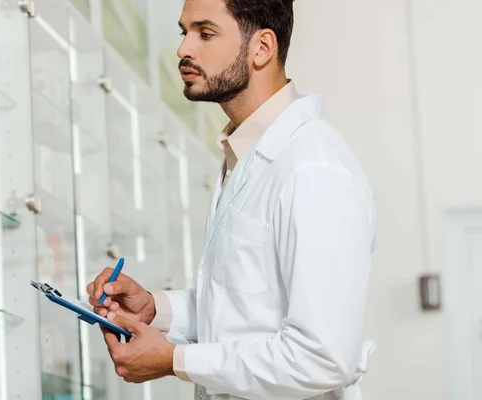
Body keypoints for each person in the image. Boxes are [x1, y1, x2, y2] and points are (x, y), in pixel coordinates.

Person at [87, 0, 376, 398]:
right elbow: (244, 308)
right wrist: (155, 308)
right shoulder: (244, 156)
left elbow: (322, 357)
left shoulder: (313, 170)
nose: (183, 49)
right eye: (183, 32)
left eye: (205, 33)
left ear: (262, 48)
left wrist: (176, 360)